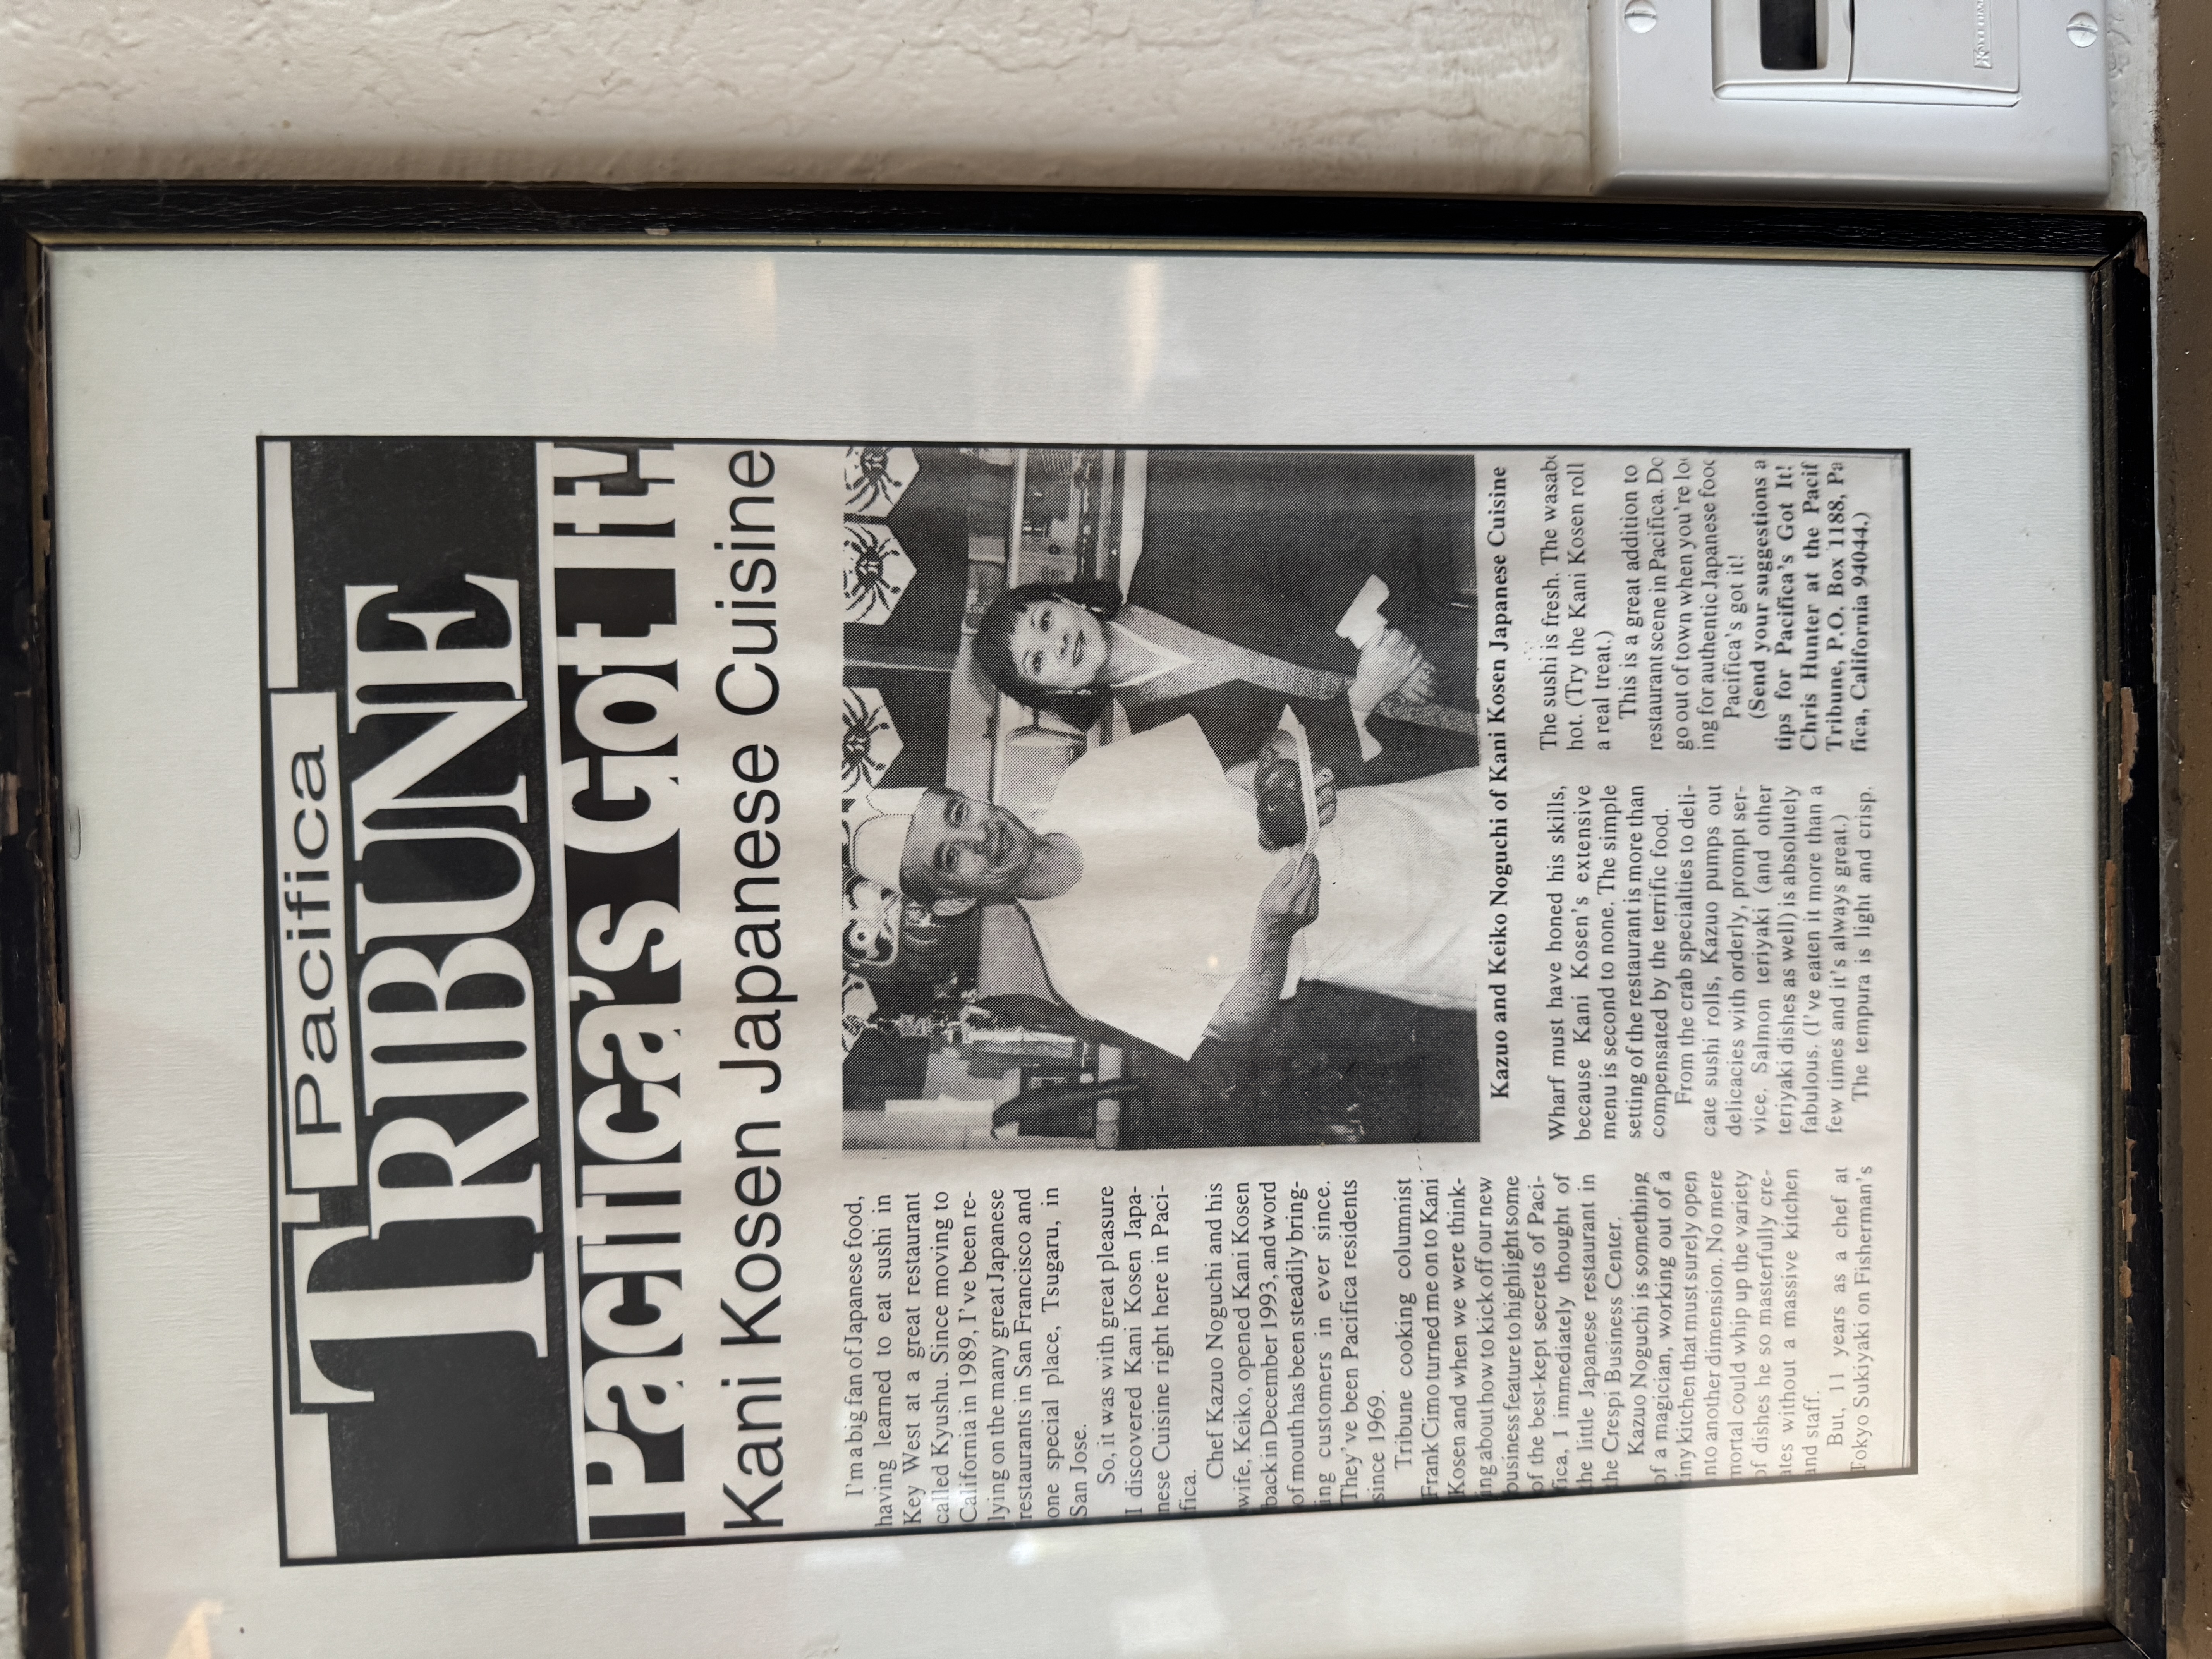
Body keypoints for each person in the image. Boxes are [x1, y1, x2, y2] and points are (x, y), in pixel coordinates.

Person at [847, 716, 1489, 1062]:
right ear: (955, 899)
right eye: (951, 858)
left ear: (974, 799)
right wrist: (1271, 935)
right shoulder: (1082, 976)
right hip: (1414, 941)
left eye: (959, 815)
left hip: (1419, 820)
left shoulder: (1097, 778)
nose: (980, 838)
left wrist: (1280, 781)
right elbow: (1234, 1026)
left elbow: (1248, 766)